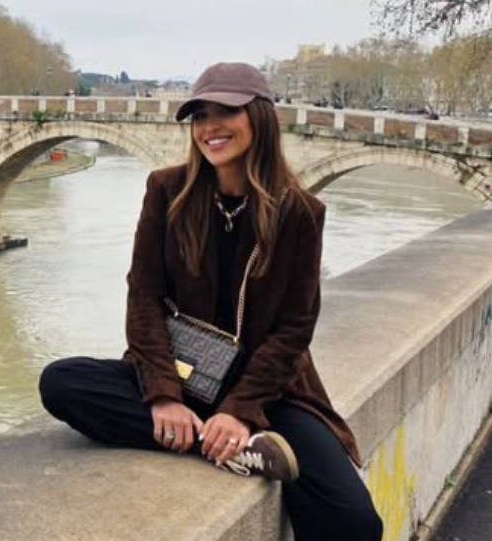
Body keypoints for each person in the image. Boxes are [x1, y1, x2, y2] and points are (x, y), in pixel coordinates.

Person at [39, 62, 383, 540]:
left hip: (269, 392)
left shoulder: (300, 212)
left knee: (353, 521)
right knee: (63, 383)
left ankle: (232, 434)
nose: (210, 127)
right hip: (183, 375)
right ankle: (232, 447)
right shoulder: (167, 190)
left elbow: (294, 328)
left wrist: (241, 409)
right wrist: (162, 395)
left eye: (226, 112)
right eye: (200, 116)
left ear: (259, 119)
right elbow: (144, 297)